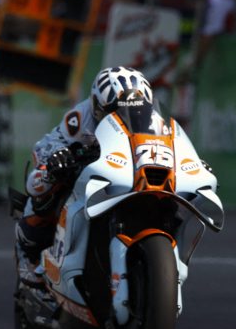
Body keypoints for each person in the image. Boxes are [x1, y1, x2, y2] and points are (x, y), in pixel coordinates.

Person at [14, 66, 155, 287]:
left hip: (129, 173)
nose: (127, 118)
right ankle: (28, 253)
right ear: (97, 106)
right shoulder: (80, 118)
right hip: (88, 170)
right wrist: (57, 158)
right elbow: (44, 147)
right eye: (116, 112)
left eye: (137, 111)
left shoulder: (156, 123)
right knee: (42, 182)